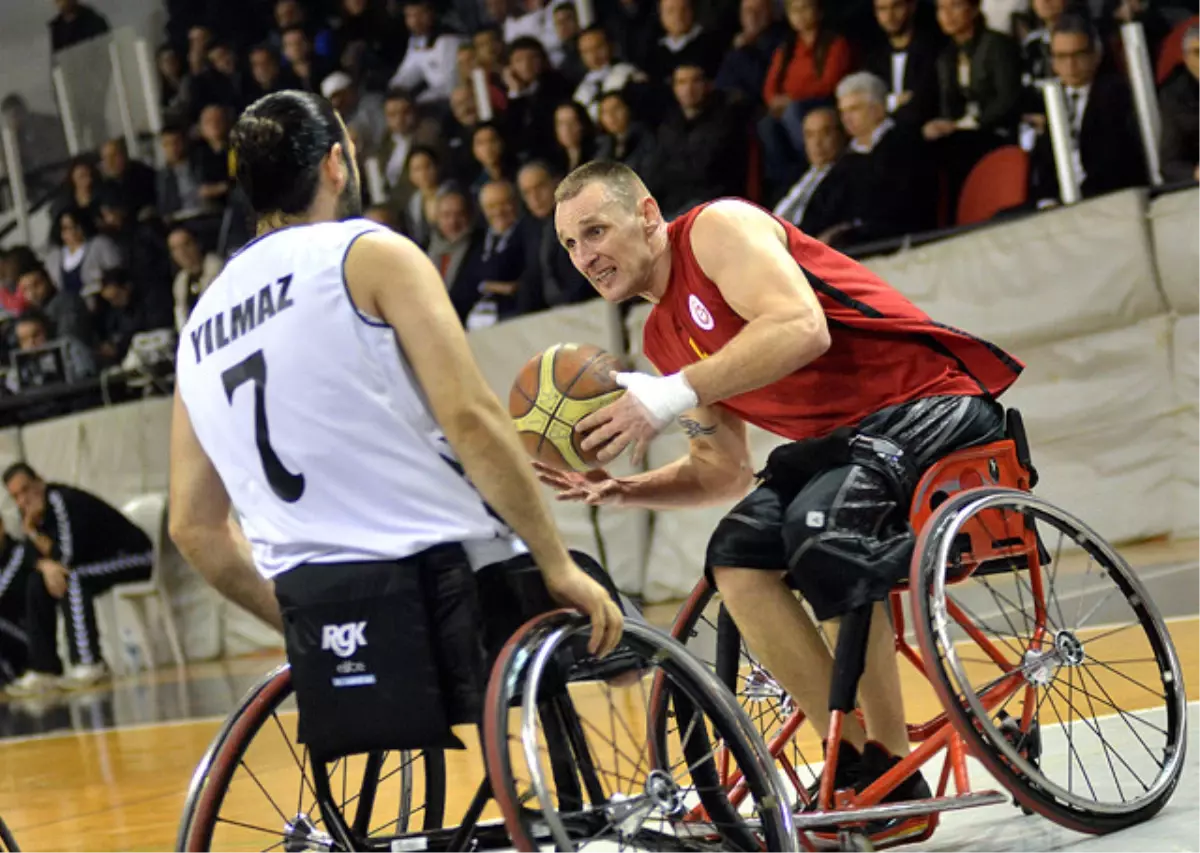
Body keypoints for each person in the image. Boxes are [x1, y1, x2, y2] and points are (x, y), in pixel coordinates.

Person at [542, 161, 1023, 843]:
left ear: (647, 214)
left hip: (927, 402)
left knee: (820, 529)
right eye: (569, 244)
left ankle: (895, 775)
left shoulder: (718, 229)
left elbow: (802, 326)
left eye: (594, 230)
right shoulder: (661, 338)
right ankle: (855, 758)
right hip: (841, 449)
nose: (585, 255)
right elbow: (723, 469)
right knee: (734, 554)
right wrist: (625, 488)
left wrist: (672, 391)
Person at [168, 92, 622, 752]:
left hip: (325, 608)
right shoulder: (369, 253)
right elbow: (470, 418)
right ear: (334, 165)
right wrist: (556, 563)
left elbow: (193, 527)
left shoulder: (198, 326)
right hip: (447, 581)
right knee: (603, 604)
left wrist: (303, 628)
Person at [4, 464, 153, 695]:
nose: (24, 499)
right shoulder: (30, 517)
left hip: (133, 556)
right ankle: (44, 668)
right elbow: (31, 559)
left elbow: (66, 557)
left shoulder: (60, 501)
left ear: (40, 482)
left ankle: (89, 662)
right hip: (92, 565)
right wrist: (43, 562)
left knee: (72, 578)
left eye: (26, 490)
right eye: (16, 496)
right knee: (36, 582)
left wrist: (37, 541)